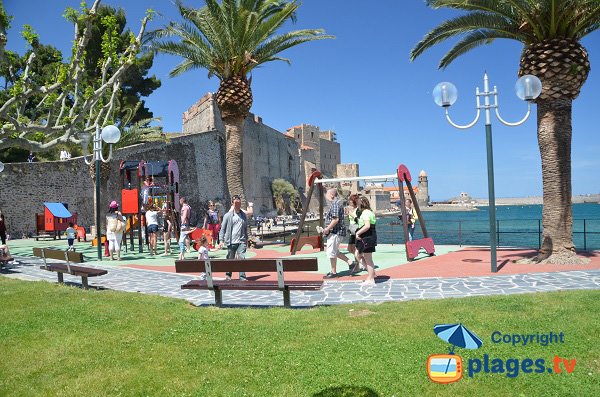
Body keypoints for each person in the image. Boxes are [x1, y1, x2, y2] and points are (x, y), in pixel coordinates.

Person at [219, 194, 253, 281]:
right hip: (231, 241)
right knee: (230, 258)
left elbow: (245, 227)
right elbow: (222, 229)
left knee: (241, 258)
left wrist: (247, 238)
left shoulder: (243, 215)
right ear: (232, 203)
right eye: (235, 202)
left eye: (239, 201)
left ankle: (242, 277)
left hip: (241, 241)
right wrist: (221, 240)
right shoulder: (228, 215)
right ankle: (228, 275)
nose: (238, 203)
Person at [320, 188, 353, 278]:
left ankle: (334, 273)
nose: (326, 197)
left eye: (326, 195)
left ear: (331, 195)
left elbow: (335, 219)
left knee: (331, 252)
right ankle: (350, 262)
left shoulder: (335, 204)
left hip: (335, 232)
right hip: (337, 231)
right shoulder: (338, 203)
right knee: (335, 251)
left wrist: (327, 229)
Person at [355, 196, 378, 285]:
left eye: (358, 204)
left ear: (361, 204)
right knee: (358, 254)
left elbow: (367, 225)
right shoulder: (369, 212)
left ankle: (371, 278)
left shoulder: (365, 213)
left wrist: (358, 233)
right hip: (369, 236)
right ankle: (371, 273)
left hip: (367, 236)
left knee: (368, 258)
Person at [346, 194, 362, 273]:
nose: (349, 202)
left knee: (355, 249)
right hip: (351, 230)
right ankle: (361, 258)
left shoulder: (358, 210)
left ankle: (357, 266)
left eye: (351, 200)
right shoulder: (351, 209)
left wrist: (351, 214)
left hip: (356, 230)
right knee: (349, 249)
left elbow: (359, 220)